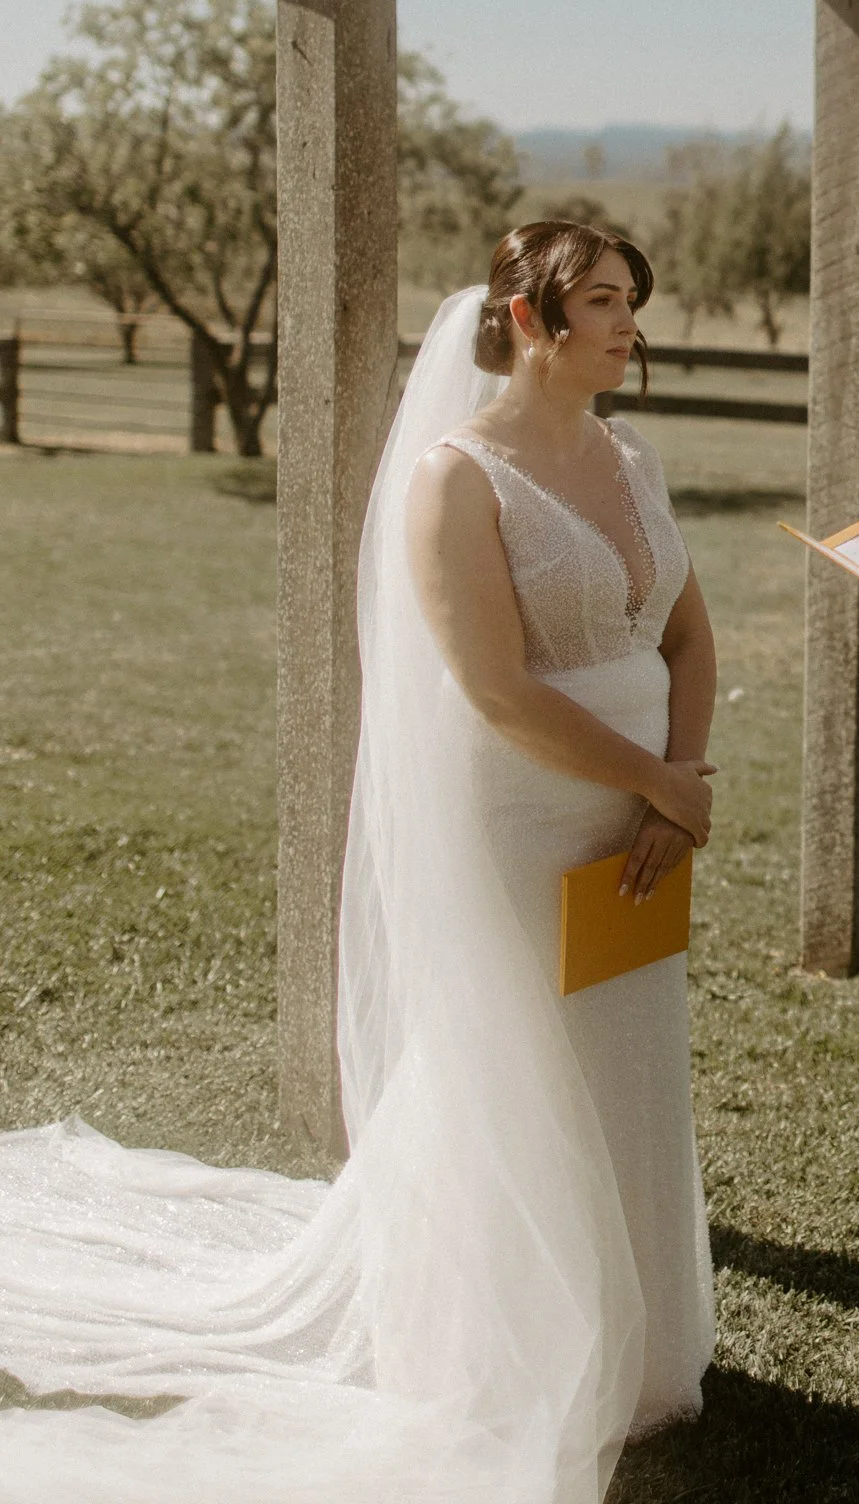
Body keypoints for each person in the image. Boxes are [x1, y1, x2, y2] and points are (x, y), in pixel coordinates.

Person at [0, 219, 715, 1503]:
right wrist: (652, 775)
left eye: (630, 302)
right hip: (528, 806)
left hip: (650, 815)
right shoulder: (458, 477)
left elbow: (690, 638)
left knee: (626, 1052)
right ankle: (492, 1343)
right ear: (532, 317)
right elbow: (493, 687)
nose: (628, 324)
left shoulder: (633, 450)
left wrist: (686, 783)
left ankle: (643, 1335)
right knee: (516, 1062)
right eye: (603, 301)